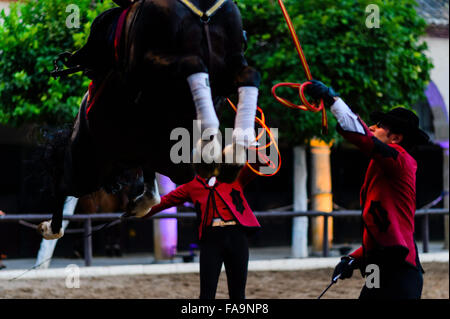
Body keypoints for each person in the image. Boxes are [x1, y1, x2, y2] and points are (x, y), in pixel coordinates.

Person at [305, 80, 429, 299]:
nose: (372, 127)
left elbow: (363, 137)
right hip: (375, 268)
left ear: (396, 138)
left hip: (401, 271)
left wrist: (332, 99)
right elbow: (378, 233)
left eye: (379, 125)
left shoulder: (401, 159)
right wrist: (352, 259)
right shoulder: (381, 164)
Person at [143, 163, 261, 299]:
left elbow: (256, 165)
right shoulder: (191, 185)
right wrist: (139, 211)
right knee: (206, 294)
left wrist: (256, 144)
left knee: (238, 293)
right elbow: (165, 201)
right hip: (211, 239)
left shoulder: (232, 175)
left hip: (236, 236)